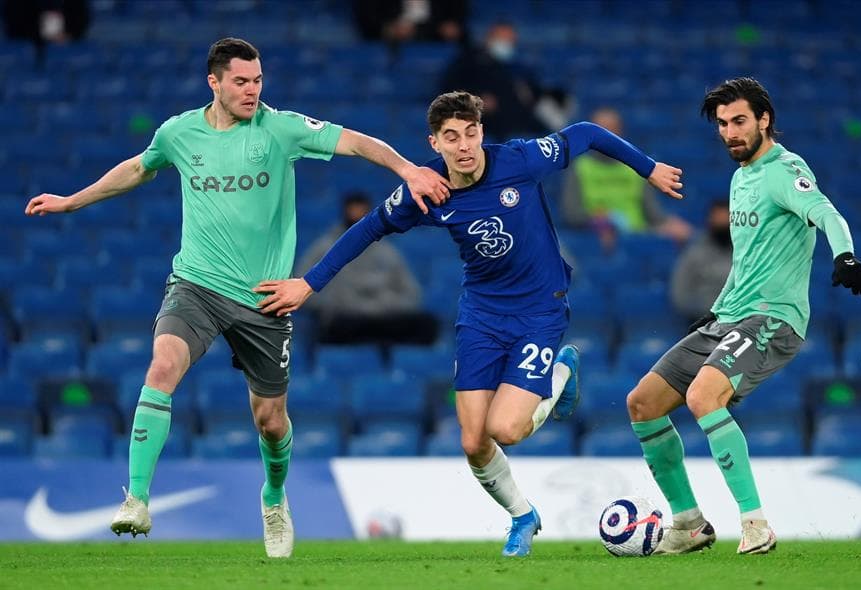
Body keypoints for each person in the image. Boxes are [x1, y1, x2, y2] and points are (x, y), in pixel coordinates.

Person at [23, 37, 450, 558]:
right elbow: (138, 167)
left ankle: (273, 499)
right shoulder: (179, 132)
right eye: (242, 82)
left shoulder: (280, 128)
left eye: (258, 81)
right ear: (215, 83)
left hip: (263, 298)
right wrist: (71, 201)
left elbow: (358, 142)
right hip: (197, 284)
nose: (252, 91)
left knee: (270, 421)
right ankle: (136, 498)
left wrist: (408, 170)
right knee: (161, 366)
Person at [272, 91, 685, 557]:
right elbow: (368, 228)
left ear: (482, 133)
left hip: (539, 311)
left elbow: (586, 134)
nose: (464, 145)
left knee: (505, 430)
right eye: (452, 137)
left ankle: (561, 372)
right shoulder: (427, 188)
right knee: (473, 441)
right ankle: (523, 516)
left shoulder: (519, 161)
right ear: (435, 142)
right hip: (481, 316)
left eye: (471, 133)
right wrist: (308, 284)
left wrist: (647, 168)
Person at [625, 77, 861, 556]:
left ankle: (755, 524)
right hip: (728, 317)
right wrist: (715, 311)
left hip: (773, 319)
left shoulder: (785, 169)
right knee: (642, 403)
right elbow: (748, 260)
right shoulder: (741, 178)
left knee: (703, 395)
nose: (730, 132)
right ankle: (690, 524)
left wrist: (845, 256)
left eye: (739, 121)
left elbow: (827, 213)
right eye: (722, 124)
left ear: (764, 120)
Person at [295, 190, 439, 346]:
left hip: (382, 317)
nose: (357, 215)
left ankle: (393, 364)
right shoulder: (324, 247)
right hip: (344, 318)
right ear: (344, 211)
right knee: (335, 326)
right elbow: (301, 286)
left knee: (427, 324)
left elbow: (412, 293)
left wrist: (386, 304)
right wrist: (335, 304)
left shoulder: (387, 252)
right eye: (353, 210)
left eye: (361, 210)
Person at [562, 107, 692, 250]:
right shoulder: (580, 168)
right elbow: (572, 214)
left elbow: (653, 213)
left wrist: (670, 223)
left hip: (636, 240)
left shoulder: (638, 165)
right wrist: (599, 224)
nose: (604, 137)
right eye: (599, 131)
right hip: (595, 239)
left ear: (620, 132)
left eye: (610, 130)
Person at [440, 23, 571, 140]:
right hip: (485, 124)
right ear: (489, 39)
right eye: (502, 39)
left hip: (522, 124)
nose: (506, 44)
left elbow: (536, 93)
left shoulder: (519, 69)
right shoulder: (469, 62)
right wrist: (476, 99)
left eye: (510, 40)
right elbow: (450, 89)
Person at [670, 199, 732, 324]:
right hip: (702, 321)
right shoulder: (694, 252)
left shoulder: (746, 252)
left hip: (740, 321)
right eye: (719, 220)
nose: (723, 224)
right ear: (710, 221)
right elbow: (680, 294)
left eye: (726, 221)